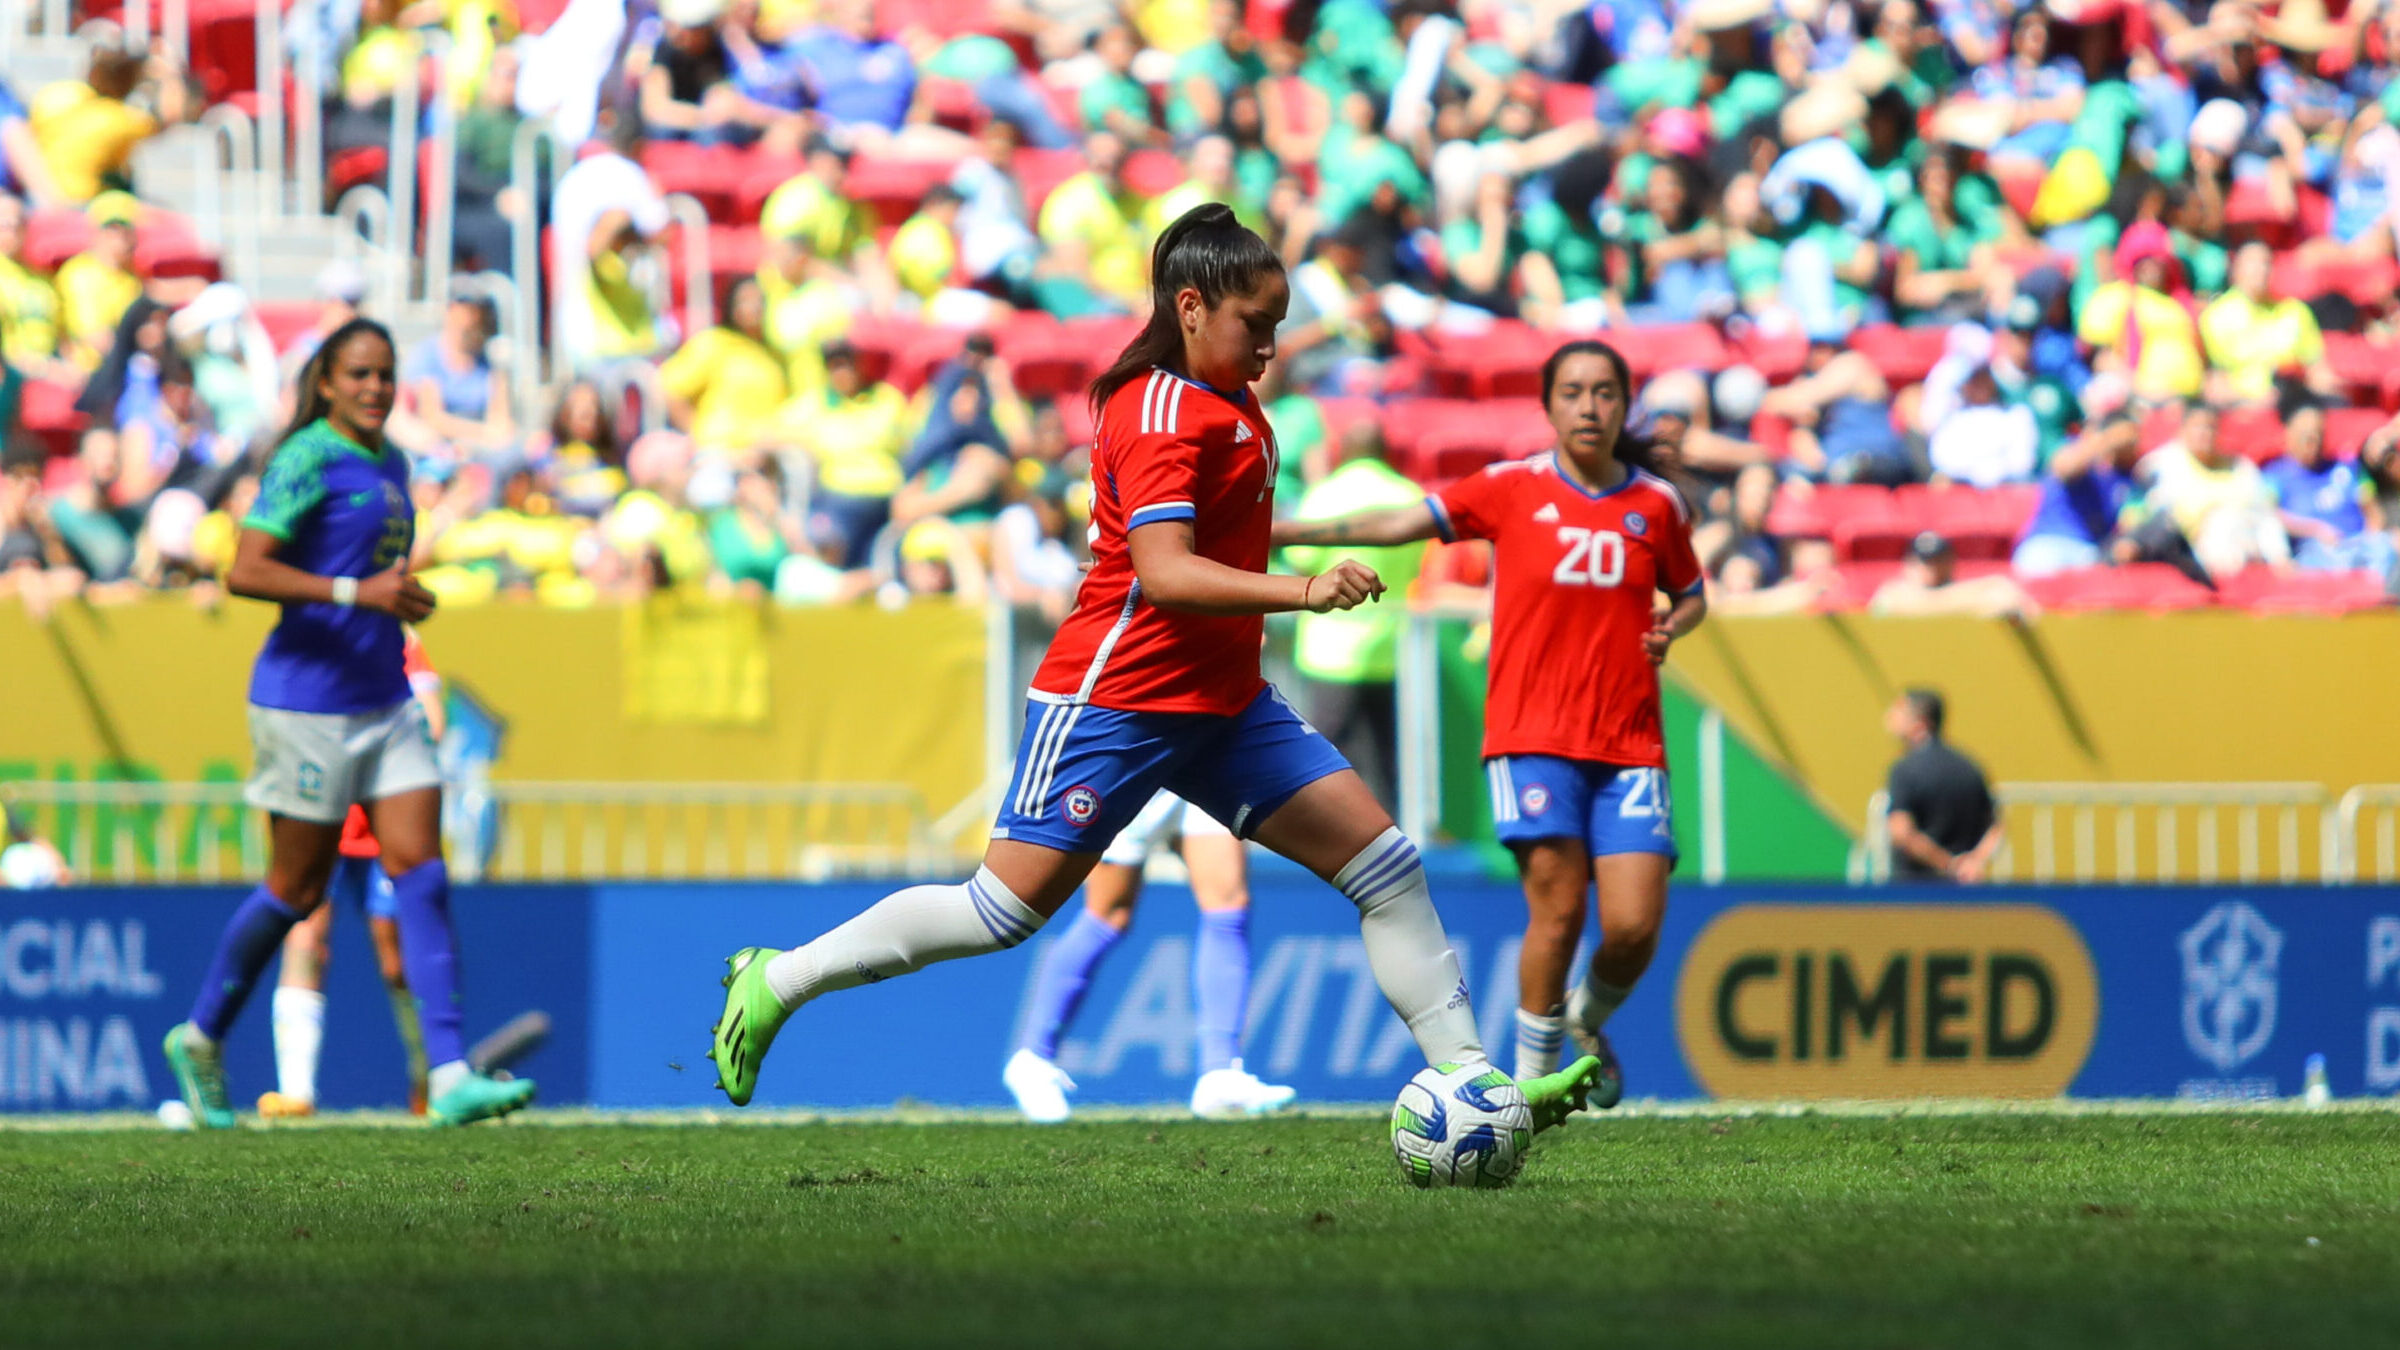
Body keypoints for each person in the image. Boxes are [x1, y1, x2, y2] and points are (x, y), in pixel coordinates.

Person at [703, 205, 1601, 1125]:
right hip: (1115, 699)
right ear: (1192, 308)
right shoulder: (1159, 409)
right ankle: (780, 978)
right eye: (1257, 325)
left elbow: (1226, 527)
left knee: (1387, 866)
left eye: (1278, 328)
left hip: (1223, 702)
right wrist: (1304, 590)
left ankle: (1473, 1084)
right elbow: (1165, 575)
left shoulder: (1230, 402)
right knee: (1000, 913)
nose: (1270, 349)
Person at [1269, 339, 1708, 1108]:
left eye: (1605, 393)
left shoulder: (1655, 506)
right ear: (1547, 406)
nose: (1589, 407)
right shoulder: (1510, 487)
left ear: (1622, 404)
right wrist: (1277, 535)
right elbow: (1401, 521)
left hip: (1630, 740)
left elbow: (1692, 590)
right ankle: (1531, 1093)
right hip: (1531, 735)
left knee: (1635, 927)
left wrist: (1677, 624)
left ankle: (1584, 1017)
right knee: (1560, 904)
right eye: (1573, 392)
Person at [160, 319, 535, 1130]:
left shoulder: (393, 462)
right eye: (359, 374)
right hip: (305, 703)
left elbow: (373, 573)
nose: (374, 388)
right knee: (295, 891)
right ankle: (200, 1038)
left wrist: (399, 595)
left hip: (385, 694)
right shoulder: (304, 458)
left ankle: (450, 1075)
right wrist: (354, 595)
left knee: (423, 872)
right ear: (325, 382)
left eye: (385, 374)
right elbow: (246, 570)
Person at [1002, 790, 1298, 1122]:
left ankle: (1220, 1071)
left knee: (1229, 904)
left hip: (1202, 756)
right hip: (1141, 763)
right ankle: (1033, 1058)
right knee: (1108, 915)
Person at [257, 629, 445, 1120]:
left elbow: (434, 722)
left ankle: (430, 1078)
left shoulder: (401, 639)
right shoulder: (313, 633)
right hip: (319, 815)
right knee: (304, 939)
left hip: (382, 819)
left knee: (396, 959)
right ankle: (296, 1092)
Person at [1280, 423, 1427, 808]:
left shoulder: (1324, 496)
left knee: (1324, 752)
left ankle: (1319, 834)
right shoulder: (1411, 496)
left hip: (1330, 650)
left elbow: (1301, 560)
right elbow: (1424, 563)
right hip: (1393, 648)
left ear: (1343, 451)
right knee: (1389, 755)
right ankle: (1395, 834)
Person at [1882, 688, 2002, 883]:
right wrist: (1973, 863)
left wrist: (1949, 864)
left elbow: (1901, 832)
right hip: (1964, 893)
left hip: (1917, 890)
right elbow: (1995, 826)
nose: (1889, 716)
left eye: (1898, 711)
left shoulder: (1904, 770)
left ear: (1919, 723)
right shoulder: (1969, 766)